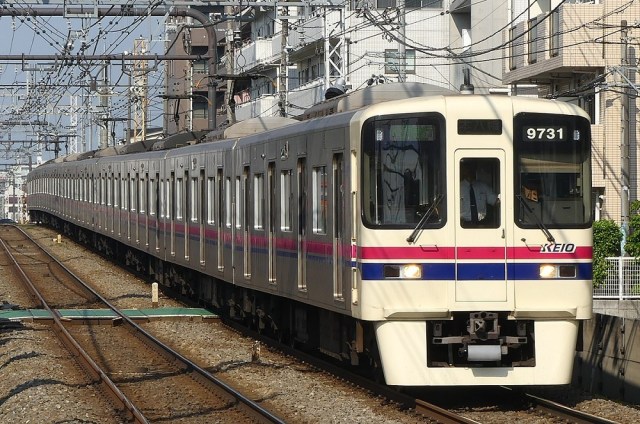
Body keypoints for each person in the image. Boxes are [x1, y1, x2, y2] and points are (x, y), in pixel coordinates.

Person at [460, 161, 499, 226]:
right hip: (462, 226)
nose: (470, 171)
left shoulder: (483, 186)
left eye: (472, 168)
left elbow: (496, 202)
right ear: (464, 170)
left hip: (481, 225)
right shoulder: (457, 188)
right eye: (468, 168)